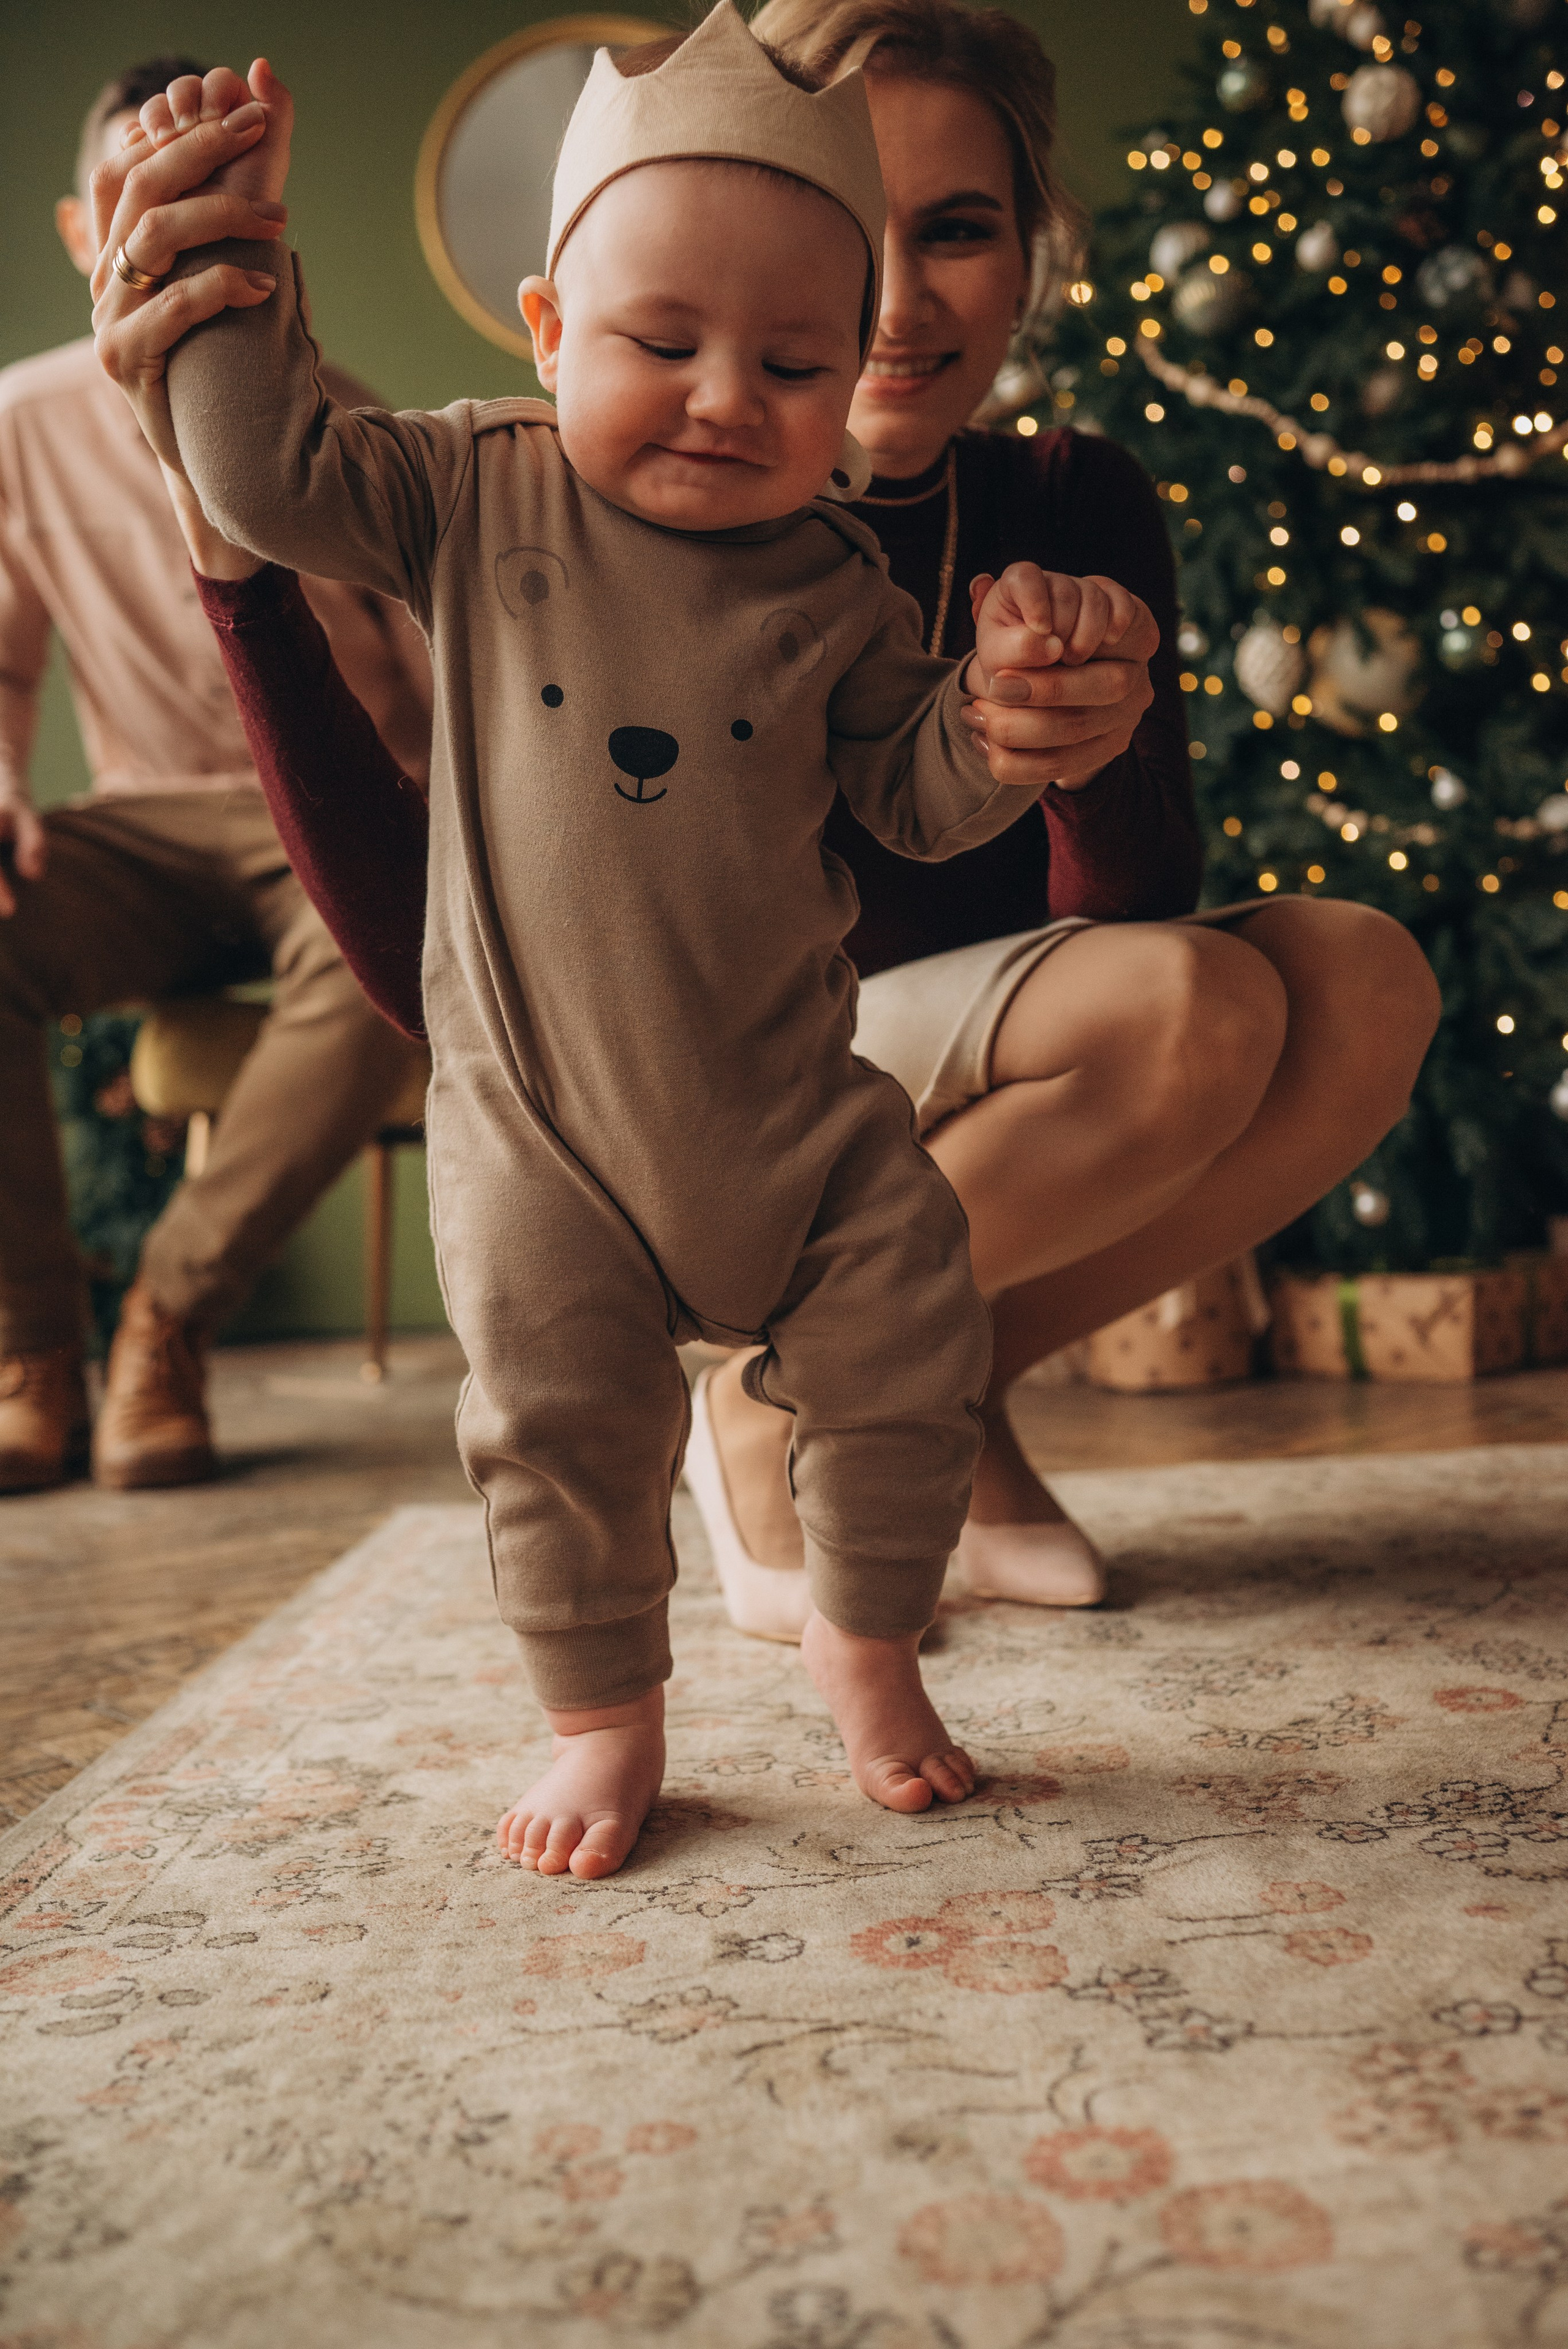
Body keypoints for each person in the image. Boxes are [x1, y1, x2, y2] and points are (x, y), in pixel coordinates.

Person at [106, 23, 1148, 1880]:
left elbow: (915, 802)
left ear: (848, 377)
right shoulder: (466, 485)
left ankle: (866, 1634)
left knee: (914, 1333)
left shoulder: (839, 581)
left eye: (794, 362)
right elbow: (260, 487)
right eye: (664, 344)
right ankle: (608, 1720)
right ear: (544, 324)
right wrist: (225, 288)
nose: (726, 397)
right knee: (556, 1431)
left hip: (797, 1120)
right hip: (544, 1141)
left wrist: (1009, 717)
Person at [0, 55, 433, 1496]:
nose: (182, 214)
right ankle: (32, 1357)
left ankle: (165, 1322)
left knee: (396, 948)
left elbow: (436, 684)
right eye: (144, 184)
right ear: (83, 231)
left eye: (225, 189)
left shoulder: (334, 408)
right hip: (142, 828)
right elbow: (5, 670)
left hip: (328, 822)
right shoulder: (18, 425)